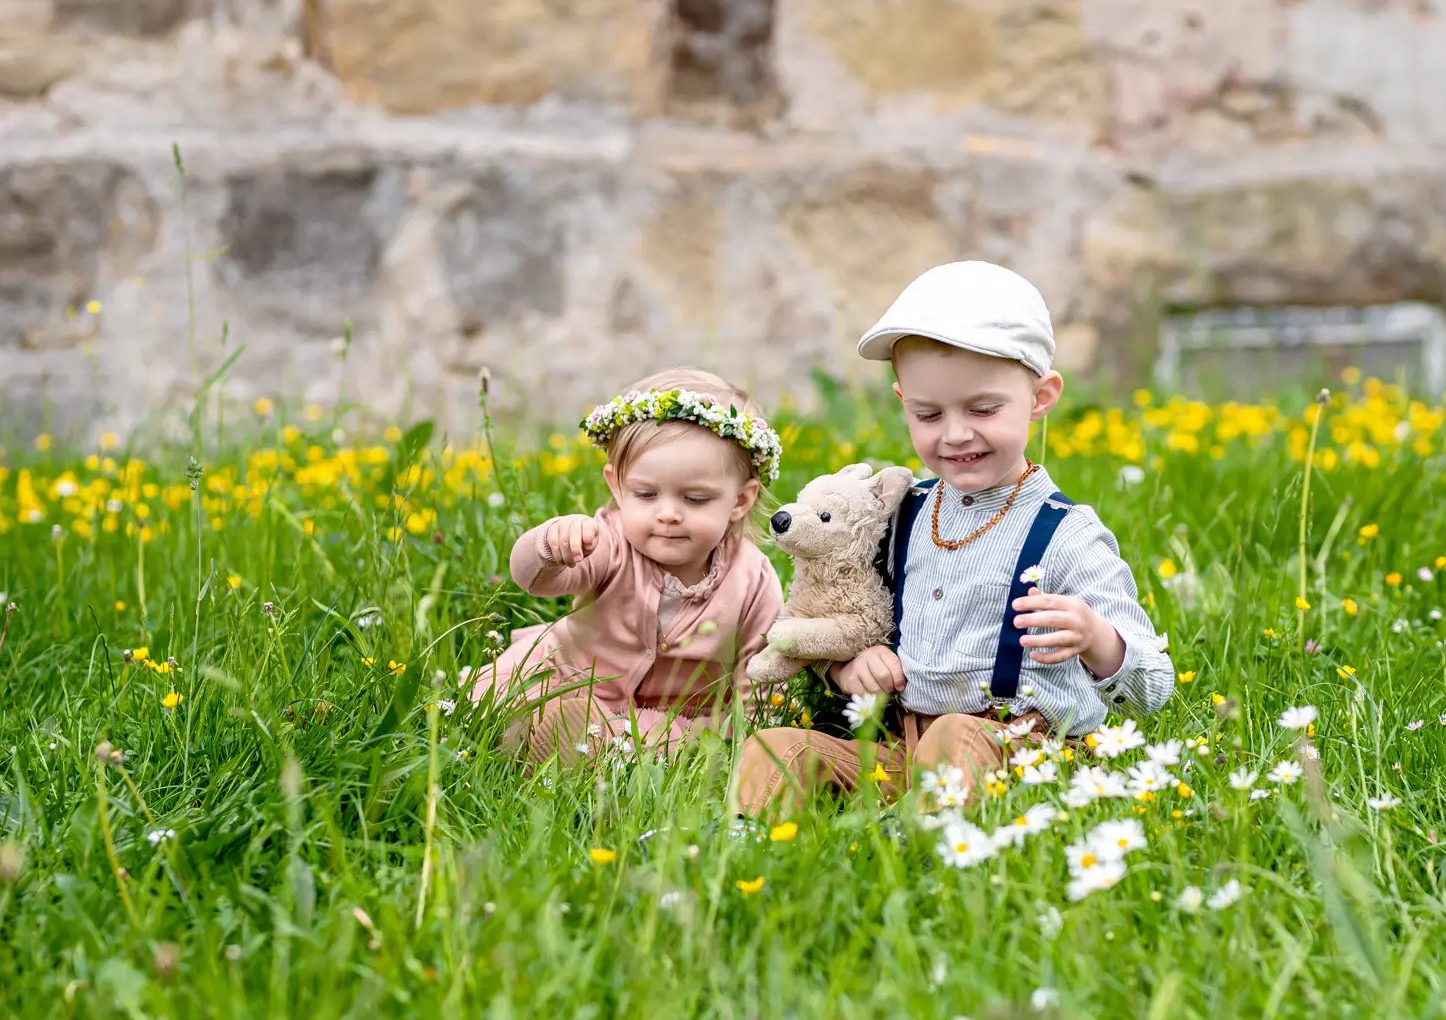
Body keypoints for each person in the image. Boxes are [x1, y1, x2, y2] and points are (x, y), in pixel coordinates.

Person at [731, 261, 1175, 814]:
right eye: (928, 413)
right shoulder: (903, 515)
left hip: (1020, 755)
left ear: (1040, 396)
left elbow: (1155, 687)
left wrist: (1096, 639)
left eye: (984, 409)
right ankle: (746, 850)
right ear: (902, 401)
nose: (956, 433)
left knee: (954, 742)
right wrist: (845, 667)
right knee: (776, 748)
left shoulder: (1066, 536)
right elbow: (840, 610)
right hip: (900, 750)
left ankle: (929, 847)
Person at [472, 367, 785, 764]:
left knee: (668, 745)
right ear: (617, 486)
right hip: (570, 679)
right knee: (498, 705)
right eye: (646, 494)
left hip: (668, 715)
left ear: (740, 500)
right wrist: (550, 545)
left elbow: (760, 672)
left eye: (695, 499)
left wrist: (749, 738)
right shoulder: (608, 542)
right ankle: (537, 731)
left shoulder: (752, 579)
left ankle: (572, 743)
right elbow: (536, 580)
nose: (668, 514)